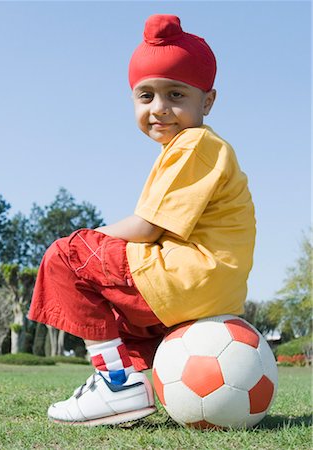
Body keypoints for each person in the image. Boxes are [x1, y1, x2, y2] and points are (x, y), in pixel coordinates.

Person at [28, 14, 256, 426]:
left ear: (207, 101)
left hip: (190, 275)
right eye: (145, 96)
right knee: (118, 313)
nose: (160, 109)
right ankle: (129, 389)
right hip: (210, 287)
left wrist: (88, 239)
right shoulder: (193, 147)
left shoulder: (197, 143)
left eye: (175, 95)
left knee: (66, 255)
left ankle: (116, 382)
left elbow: (148, 227)